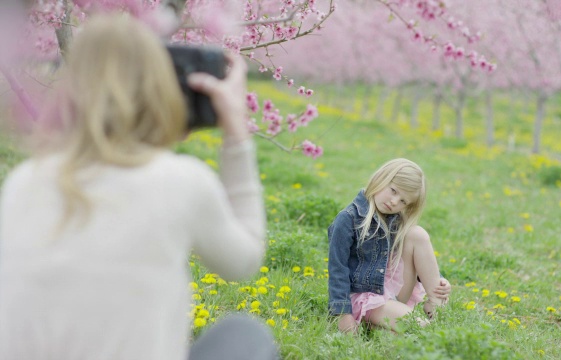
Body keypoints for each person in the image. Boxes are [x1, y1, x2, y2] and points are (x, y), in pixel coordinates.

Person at [0, 14, 278, 360]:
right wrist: (236, 133)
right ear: (160, 90)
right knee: (244, 334)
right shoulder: (182, 182)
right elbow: (244, 261)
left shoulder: (25, 181)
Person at [328, 158, 451, 333]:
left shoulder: (397, 219)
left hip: (391, 291)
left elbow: (412, 259)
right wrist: (342, 314)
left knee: (418, 234)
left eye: (403, 202)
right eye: (393, 191)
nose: (395, 202)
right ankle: (380, 323)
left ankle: (435, 305)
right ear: (382, 177)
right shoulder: (348, 219)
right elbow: (337, 269)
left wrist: (439, 279)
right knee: (420, 328)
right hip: (364, 296)